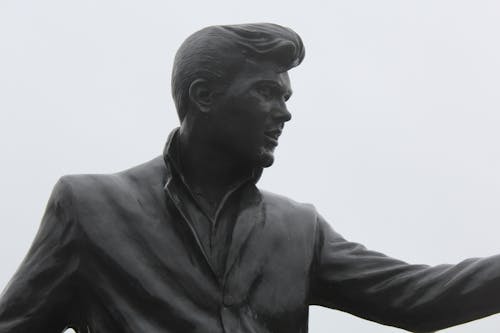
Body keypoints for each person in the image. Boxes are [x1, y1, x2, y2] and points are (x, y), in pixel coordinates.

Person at [1, 22, 500, 333]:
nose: (285, 114)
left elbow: (420, 298)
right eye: (267, 92)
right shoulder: (90, 208)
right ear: (203, 95)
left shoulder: (299, 230)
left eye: (286, 98)